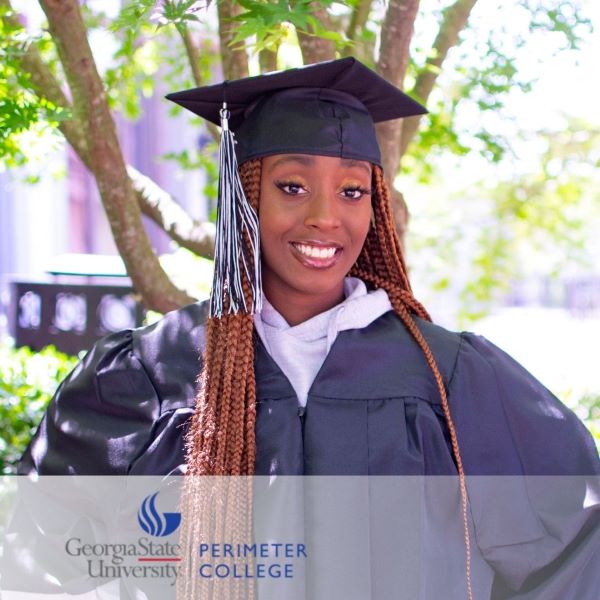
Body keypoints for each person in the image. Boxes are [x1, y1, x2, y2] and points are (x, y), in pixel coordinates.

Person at [17, 58, 600, 599]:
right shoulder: (150, 373)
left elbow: (576, 543)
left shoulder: (450, 378)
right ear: (246, 196)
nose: (326, 216)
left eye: (353, 191)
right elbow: (39, 555)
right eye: (292, 187)